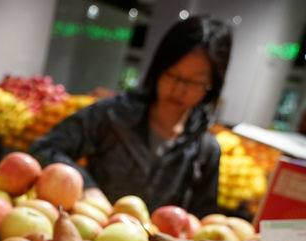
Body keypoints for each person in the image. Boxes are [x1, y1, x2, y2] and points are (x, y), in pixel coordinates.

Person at [28, 15, 233, 218]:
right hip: (92, 238)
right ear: (159, 68)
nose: (179, 88)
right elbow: (44, 148)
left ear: (212, 86)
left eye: (195, 82)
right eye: (173, 74)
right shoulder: (113, 114)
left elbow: (202, 220)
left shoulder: (205, 150)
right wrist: (86, 187)